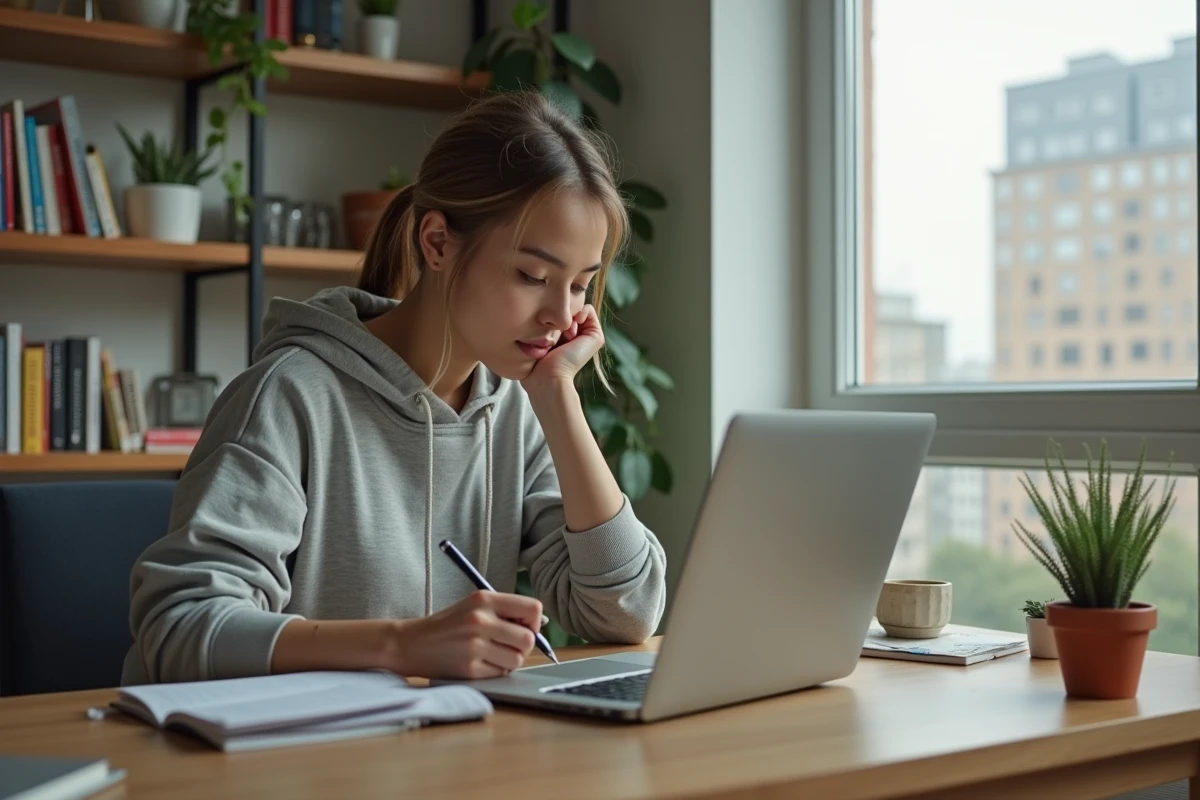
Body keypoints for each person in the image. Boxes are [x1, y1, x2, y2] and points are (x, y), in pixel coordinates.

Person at [121, 90, 667, 686]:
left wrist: (559, 400)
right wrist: (402, 644)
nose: (562, 317)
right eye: (533, 276)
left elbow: (625, 613)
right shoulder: (289, 396)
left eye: (581, 285)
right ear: (437, 243)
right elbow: (181, 626)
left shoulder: (517, 407)